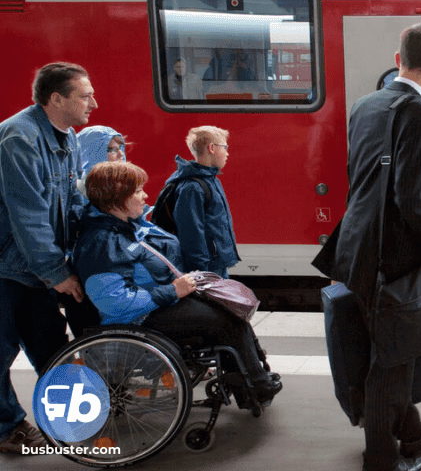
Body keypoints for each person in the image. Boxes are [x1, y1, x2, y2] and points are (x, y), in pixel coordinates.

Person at [334, 23, 421, 471]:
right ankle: (380, 458)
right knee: (389, 363)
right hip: (392, 259)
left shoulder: (364, 105)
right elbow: (413, 199)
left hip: (356, 247)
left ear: (398, 59)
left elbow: (360, 179)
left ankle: (410, 432)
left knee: (395, 349)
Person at [72, 161, 281, 407]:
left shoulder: (121, 227)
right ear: (117, 197)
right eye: (138, 191)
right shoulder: (102, 242)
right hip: (136, 319)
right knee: (224, 320)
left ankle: (252, 384)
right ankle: (255, 387)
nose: (145, 195)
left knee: (226, 307)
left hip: (151, 307)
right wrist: (172, 291)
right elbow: (114, 301)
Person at [0, 62, 94, 453]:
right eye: (85, 96)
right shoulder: (19, 138)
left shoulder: (67, 136)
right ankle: (7, 428)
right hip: (7, 267)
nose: (93, 103)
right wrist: (57, 272)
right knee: (1, 351)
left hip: (34, 265)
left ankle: (76, 417)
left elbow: (72, 201)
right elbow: (28, 215)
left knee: (53, 344)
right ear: (56, 99)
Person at [164, 126, 240, 277]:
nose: (227, 153)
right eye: (225, 147)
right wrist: (200, 270)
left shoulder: (211, 180)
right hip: (206, 267)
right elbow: (191, 233)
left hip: (216, 263)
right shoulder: (193, 187)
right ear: (211, 148)